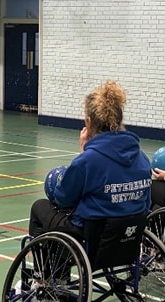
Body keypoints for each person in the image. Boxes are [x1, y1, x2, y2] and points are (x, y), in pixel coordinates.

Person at [29, 80, 151, 239]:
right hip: (128, 239)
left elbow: (63, 198)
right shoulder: (142, 158)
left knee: (39, 207)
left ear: (88, 121)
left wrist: (83, 152)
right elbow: (147, 203)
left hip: (91, 238)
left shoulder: (87, 161)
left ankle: (50, 263)